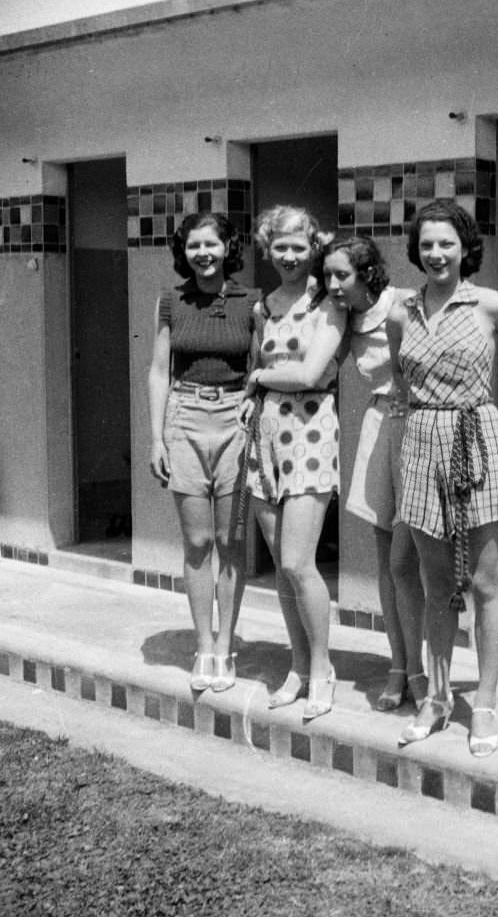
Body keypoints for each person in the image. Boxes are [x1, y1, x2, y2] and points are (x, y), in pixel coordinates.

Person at [388, 200, 498, 755]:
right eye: (426, 244)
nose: (436, 253)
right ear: (415, 250)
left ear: (466, 247)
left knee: (486, 582)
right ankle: (438, 699)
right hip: (420, 444)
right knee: (436, 583)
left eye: (447, 243)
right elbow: (401, 375)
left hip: (477, 440)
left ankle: (483, 702)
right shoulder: (402, 311)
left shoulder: (490, 304)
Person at [148, 212, 260, 694]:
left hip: (236, 419)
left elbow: (260, 369)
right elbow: (158, 371)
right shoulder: (171, 301)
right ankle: (204, 646)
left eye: (211, 244)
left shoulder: (251, 301)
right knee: (197, 544)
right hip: (186, 416)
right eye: (194, 246)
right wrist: (156, 438)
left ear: (226, 247)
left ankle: (227, 646)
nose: (203, 254)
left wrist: (253, 417)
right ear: (184, 250)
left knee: (230, 542)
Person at [244, 205, 346, 721]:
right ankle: (299, 667)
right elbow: (252, 366)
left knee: (296, 562)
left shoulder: (329, 303)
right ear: (268, 250)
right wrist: (253, 389)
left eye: (298, 246)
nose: (288, 256)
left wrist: (262, 379)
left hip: (309, 435)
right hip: (265, 436)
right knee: (281, 572)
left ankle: (324, 670)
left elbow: (310, 373)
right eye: (279, 246)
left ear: (314, 247)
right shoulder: (263, 306)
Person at [321, 233, 428, 713]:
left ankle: (425, 670)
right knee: (389, 561)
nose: (332, 284)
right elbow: (320, 365)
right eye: (327, 275)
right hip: (380, 426)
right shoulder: (343, 318)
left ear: (366, 273)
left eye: (341, 274)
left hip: (423, 426)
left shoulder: (405, 303)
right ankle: (399, 666)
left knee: (417, 558)